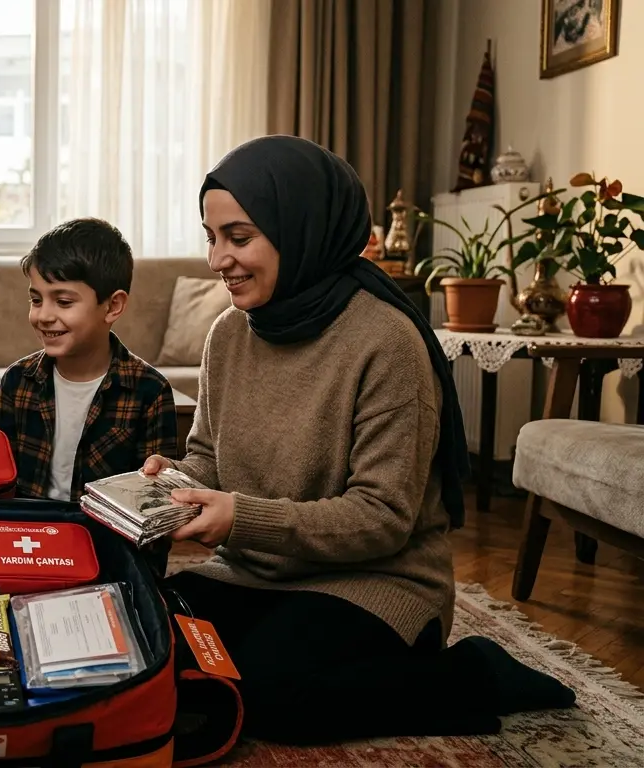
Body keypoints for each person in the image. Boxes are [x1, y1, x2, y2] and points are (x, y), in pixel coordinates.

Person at [144, 135, 575, 744]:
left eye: (238, 238)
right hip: (255, 574)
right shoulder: (229, 335)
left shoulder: (386, 343)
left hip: (377, 583)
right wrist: (173, 487)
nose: (217, 260)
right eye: (211, 236)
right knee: (148, 638)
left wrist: (240, 518)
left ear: (301, 230)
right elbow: (210, 459)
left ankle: (472, 674)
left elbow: (382, 518)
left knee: (273, 695)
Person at [0, 218, 181, 505]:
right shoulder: (17, 380)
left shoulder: (150, 391)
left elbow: (154, 507)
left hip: (106, 541)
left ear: (112, 306)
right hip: (26, 537)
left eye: (64, 302)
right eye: (36, 300)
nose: (43, 316)